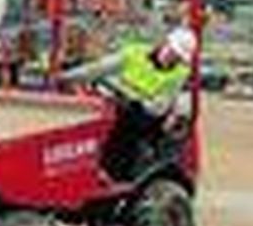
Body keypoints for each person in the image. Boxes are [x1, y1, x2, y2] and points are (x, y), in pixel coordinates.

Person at [63, 26, 198, 181]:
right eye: (172, 51)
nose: (172, 58)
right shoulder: (135, 53)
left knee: (128, 120)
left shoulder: (178, 75)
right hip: (117, 101)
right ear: (165, 43)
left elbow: (159, 106)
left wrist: (132, 99)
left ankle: (112, 171)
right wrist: (67, 77)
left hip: (145, 115)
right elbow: (98, 68)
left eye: (178, 56)